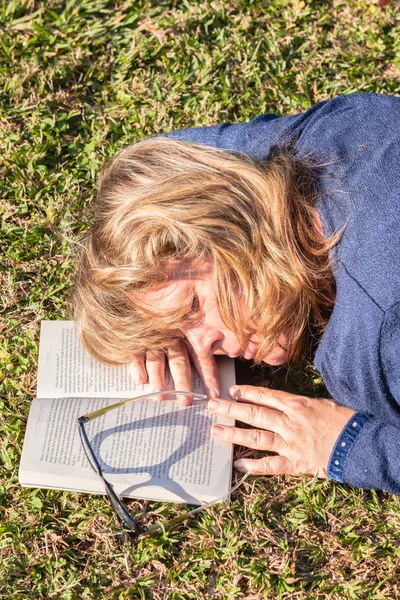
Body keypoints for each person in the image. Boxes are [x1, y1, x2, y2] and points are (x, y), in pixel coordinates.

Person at [71, 93, 400, 496]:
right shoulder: (336, 132)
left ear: (230, 234)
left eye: (193, 306)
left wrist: (348, 446)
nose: (206, 347)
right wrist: (157, 325)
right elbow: (172, 156)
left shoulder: (376, 343)